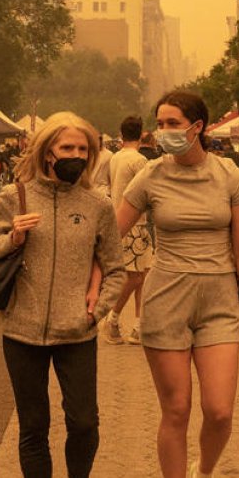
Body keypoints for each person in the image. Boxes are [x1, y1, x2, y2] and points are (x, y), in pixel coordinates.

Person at [0, 112, 126, 478]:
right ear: (47, 151)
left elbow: (115, 266)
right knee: (33, 427)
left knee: (84, 423)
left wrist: (96, 310)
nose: (77, 154)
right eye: (67, 146)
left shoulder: (97, 205)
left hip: (77, 332)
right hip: (22, 331)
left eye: (84, 149)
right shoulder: (14, 196)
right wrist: (11, 239)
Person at [116, 91, 239, 478]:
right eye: (160, 124)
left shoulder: (230, 176)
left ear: (197, 127)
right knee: (177, 409)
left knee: (219, 411)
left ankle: (204, 470)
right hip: (165, 301)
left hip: (218, 303)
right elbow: (112, 231)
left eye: (172, 124)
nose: (163, 131)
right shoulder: (152, 174)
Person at [104, 115, 154, 346]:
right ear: (142, 133)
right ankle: (112, 319)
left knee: (142, 275)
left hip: (120, 220)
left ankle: (139, 326)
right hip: (136, 224)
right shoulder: (139, 161)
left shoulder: (115, 158)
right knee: (135, 276)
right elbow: (147, 193)